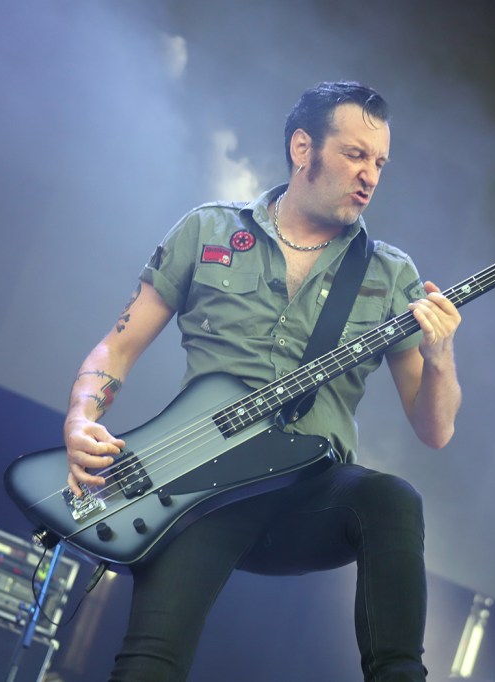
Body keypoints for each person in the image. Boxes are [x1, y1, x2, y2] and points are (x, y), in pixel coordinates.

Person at [63, 81, 462, 682]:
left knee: (393, 499)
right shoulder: (209, 230)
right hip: (201, 490)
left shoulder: (390, 272)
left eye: (380, 163)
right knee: (148, 666)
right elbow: (116, 347)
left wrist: (441, 357)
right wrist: (79, 421)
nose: (370, 176)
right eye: (355, 154)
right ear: (303, 148)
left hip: (310, 494)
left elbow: (436, 431)